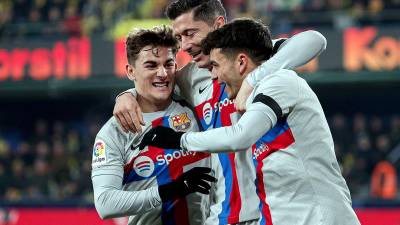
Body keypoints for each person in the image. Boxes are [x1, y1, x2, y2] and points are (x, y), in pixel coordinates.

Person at [113, 1, 327, 224]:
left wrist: (253, 80)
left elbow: (314, 40)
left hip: (270, 212)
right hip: (220, 216)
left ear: (218, 25)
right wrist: (126, 95)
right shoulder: (188, 78)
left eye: (190, 33)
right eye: (179, 38)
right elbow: (153, 84)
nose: (184, 45)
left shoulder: (253, 61)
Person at [91, 25, 216, 225]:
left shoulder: (194, 102)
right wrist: (172, 189)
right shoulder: (114, 131)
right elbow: (106, 203)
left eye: (169, 64)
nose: (163, 73)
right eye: (151, 65)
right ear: (130, 71)